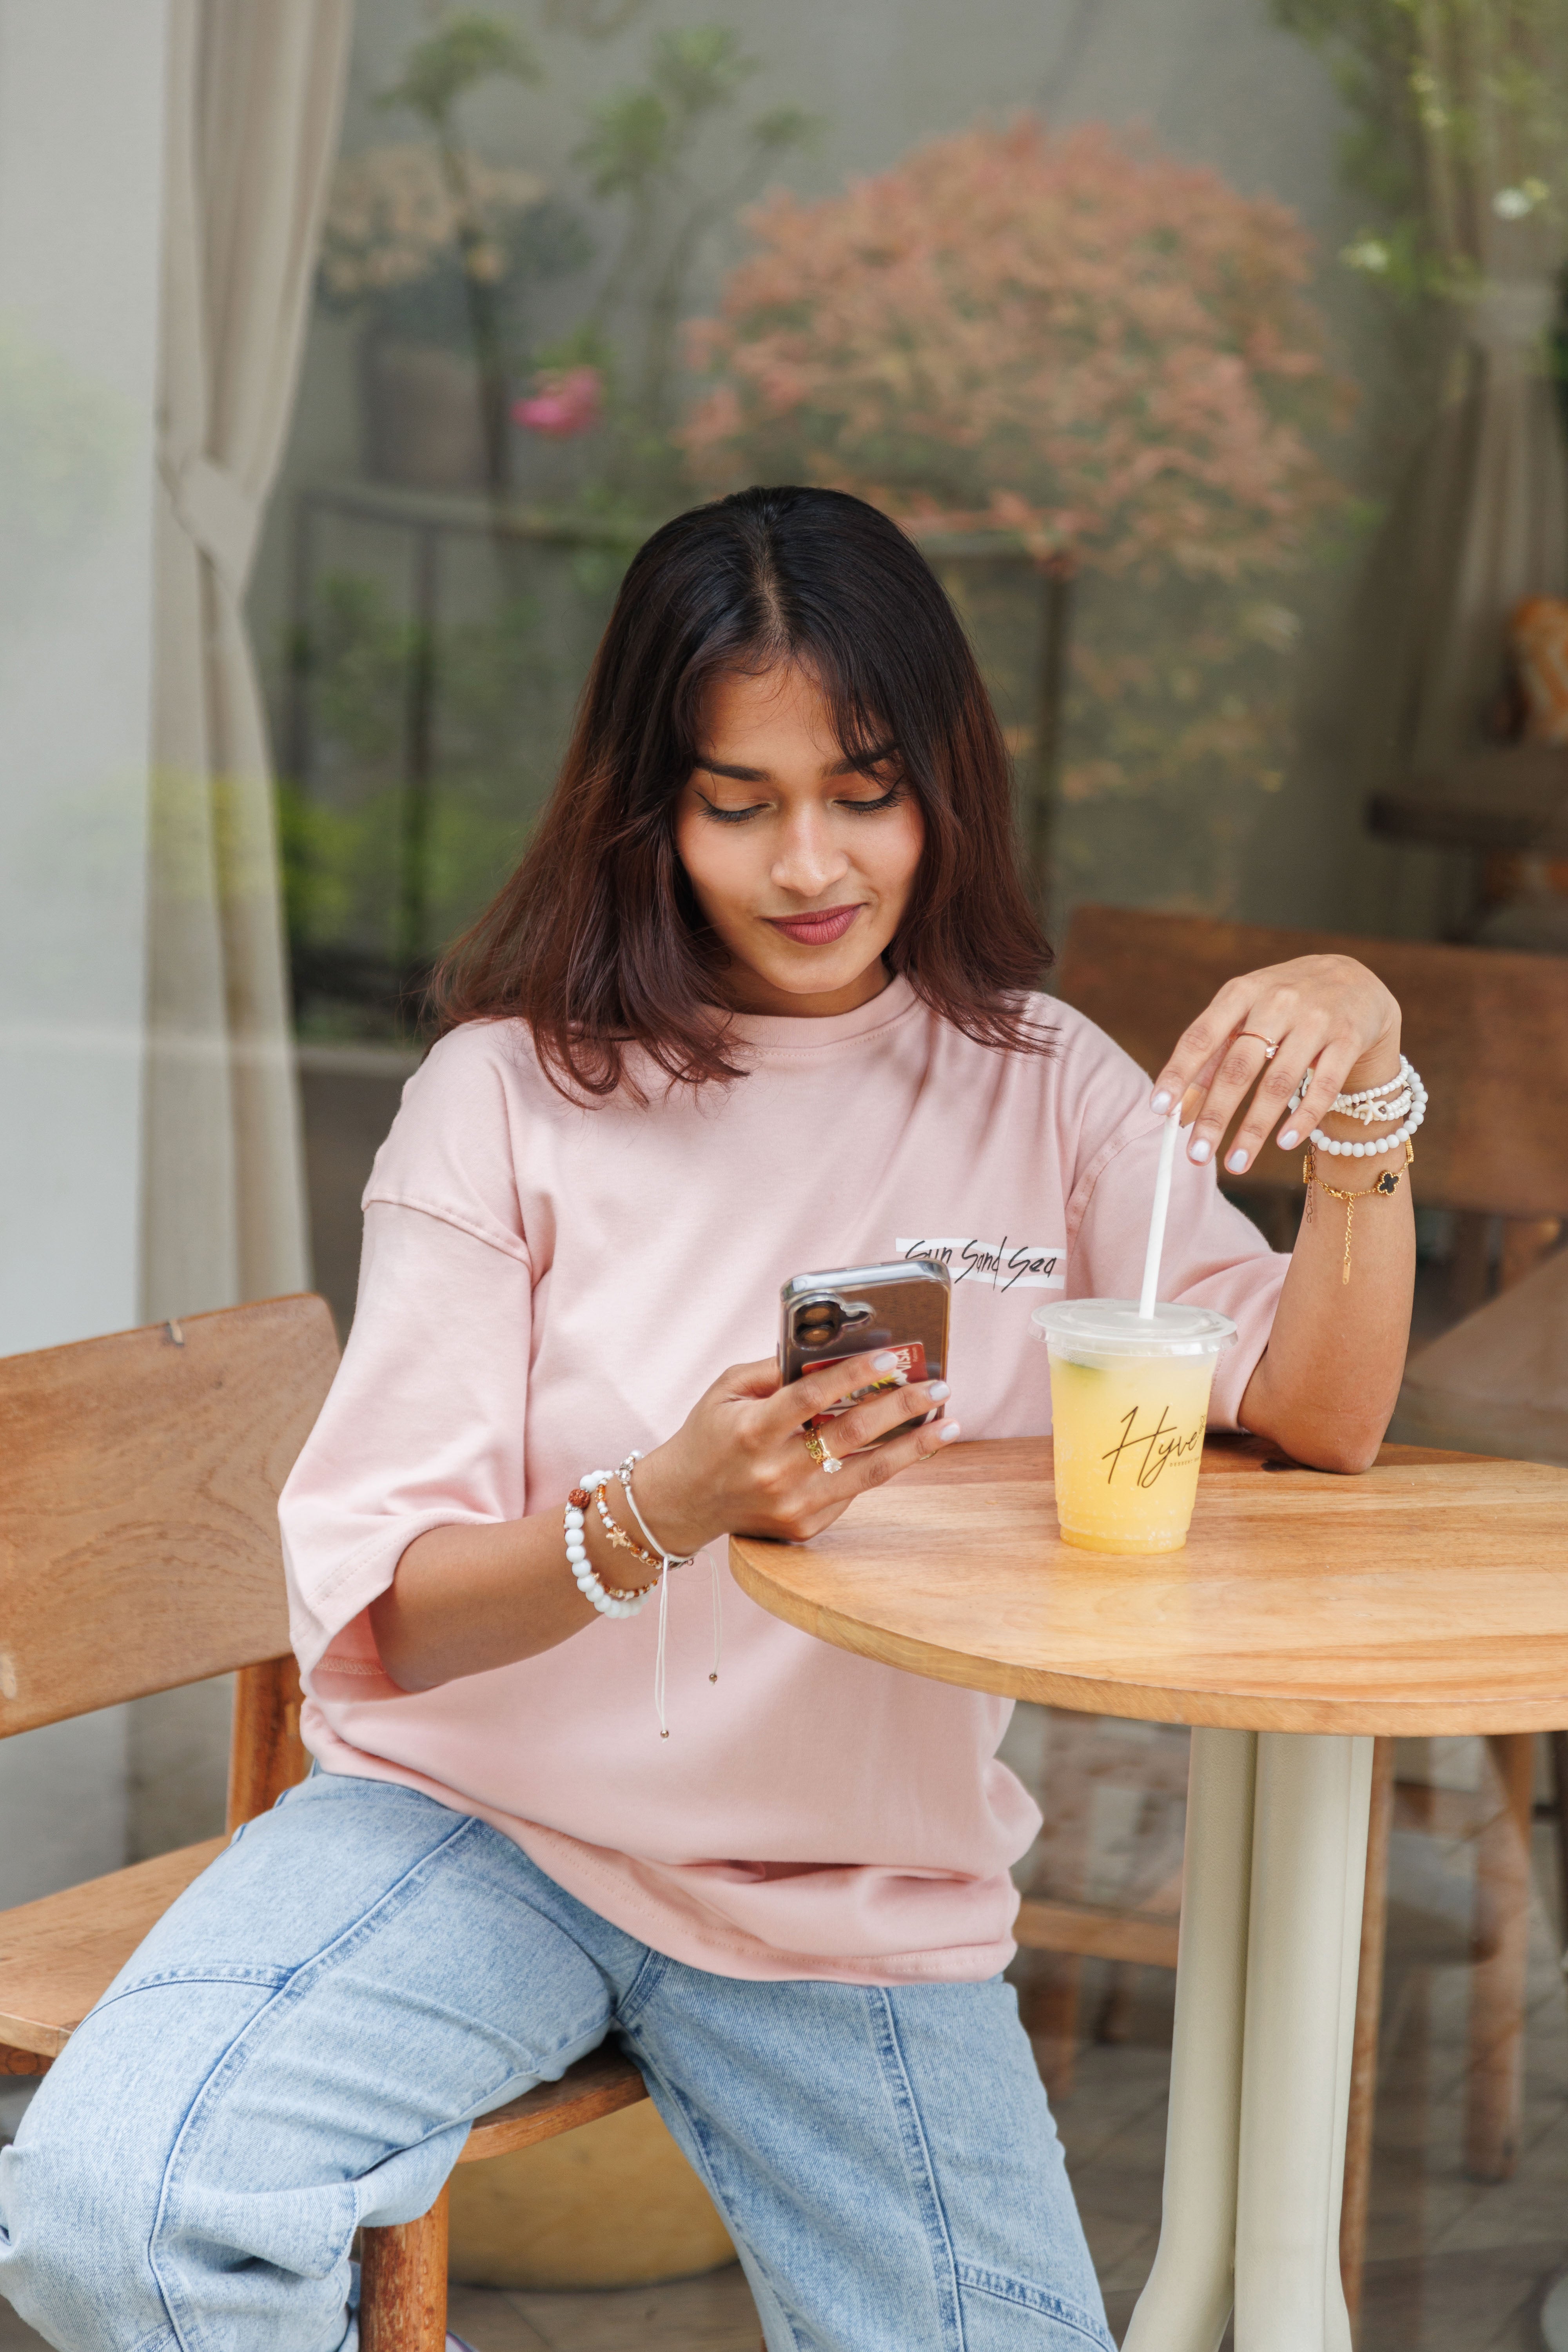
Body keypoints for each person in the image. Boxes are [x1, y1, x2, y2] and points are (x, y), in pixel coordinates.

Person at [0, 486, 1415, 2352]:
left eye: (862, 789)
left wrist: (1369, 1073)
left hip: (859, 1902)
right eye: (737, 802)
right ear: (649, 810)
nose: (807, 862)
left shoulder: (1046, 1087)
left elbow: (1313, 1416)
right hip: (472, 1831)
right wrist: (656, 1508)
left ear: (944, 789)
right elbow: (391, 1614)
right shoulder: (499, 1100)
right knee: (114, 2210)